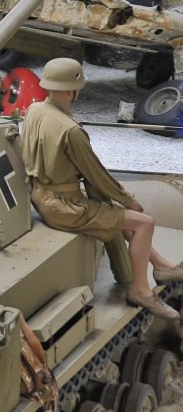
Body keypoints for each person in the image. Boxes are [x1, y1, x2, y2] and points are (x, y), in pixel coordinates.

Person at [22, 58, 183, 319]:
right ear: (73, 89)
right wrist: (127, 199)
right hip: (66, 206)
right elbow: (96, 174)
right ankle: (141, 290)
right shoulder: (71, 131)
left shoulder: (35, 109)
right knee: (144, 223)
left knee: (120, 216)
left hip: (42, 195)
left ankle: (161, 265)